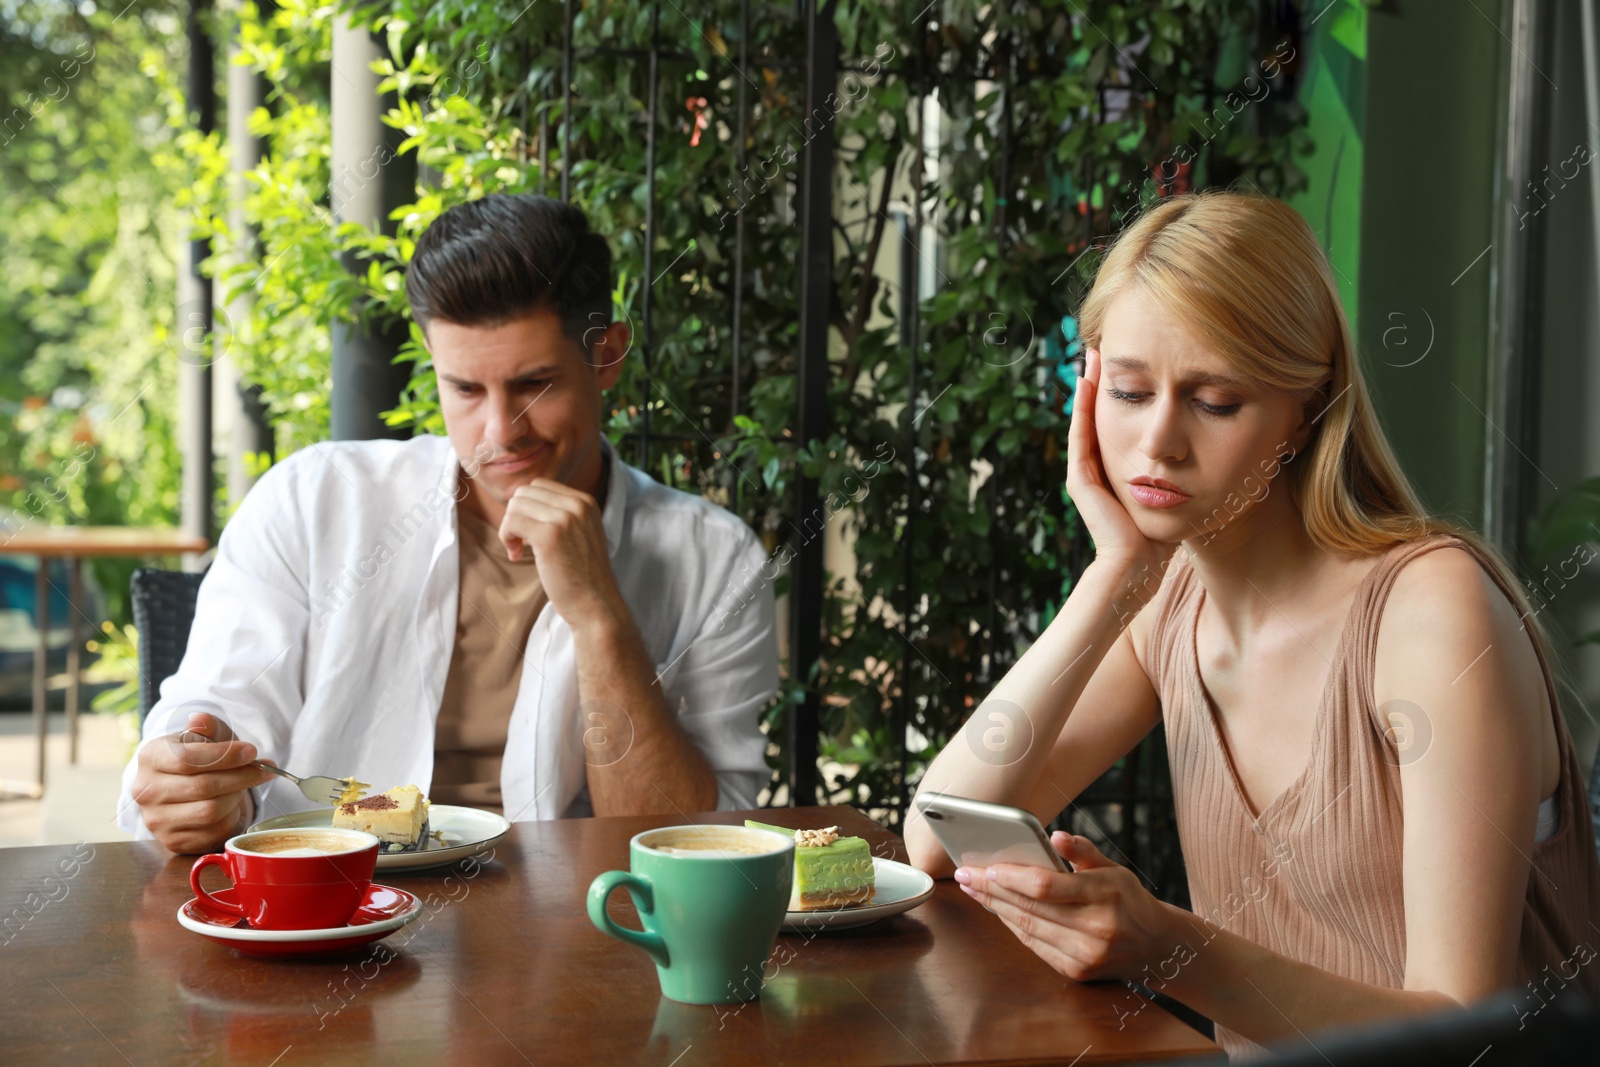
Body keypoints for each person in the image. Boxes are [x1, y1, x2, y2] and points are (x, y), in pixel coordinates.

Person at [905, 190, 1600, 1057]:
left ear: (1307, 411)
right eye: (1127, 390)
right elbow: (936, 834)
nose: (1158, 442)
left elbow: (1461, 1034)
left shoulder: (1433, 614)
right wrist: (1112, 573)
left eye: (1216, 401)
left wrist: (1170, 950)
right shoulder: (1165, 599)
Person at [117, 194, 778, 854]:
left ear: (606, 355)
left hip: (580, 929)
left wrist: (601, 618)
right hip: (332, 911)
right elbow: (210, 720)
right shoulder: (312, 501)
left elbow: (697, 850)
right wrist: (190, 784)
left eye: (534, 384)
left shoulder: (714, 560)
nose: (499, 433)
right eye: (464, 388)